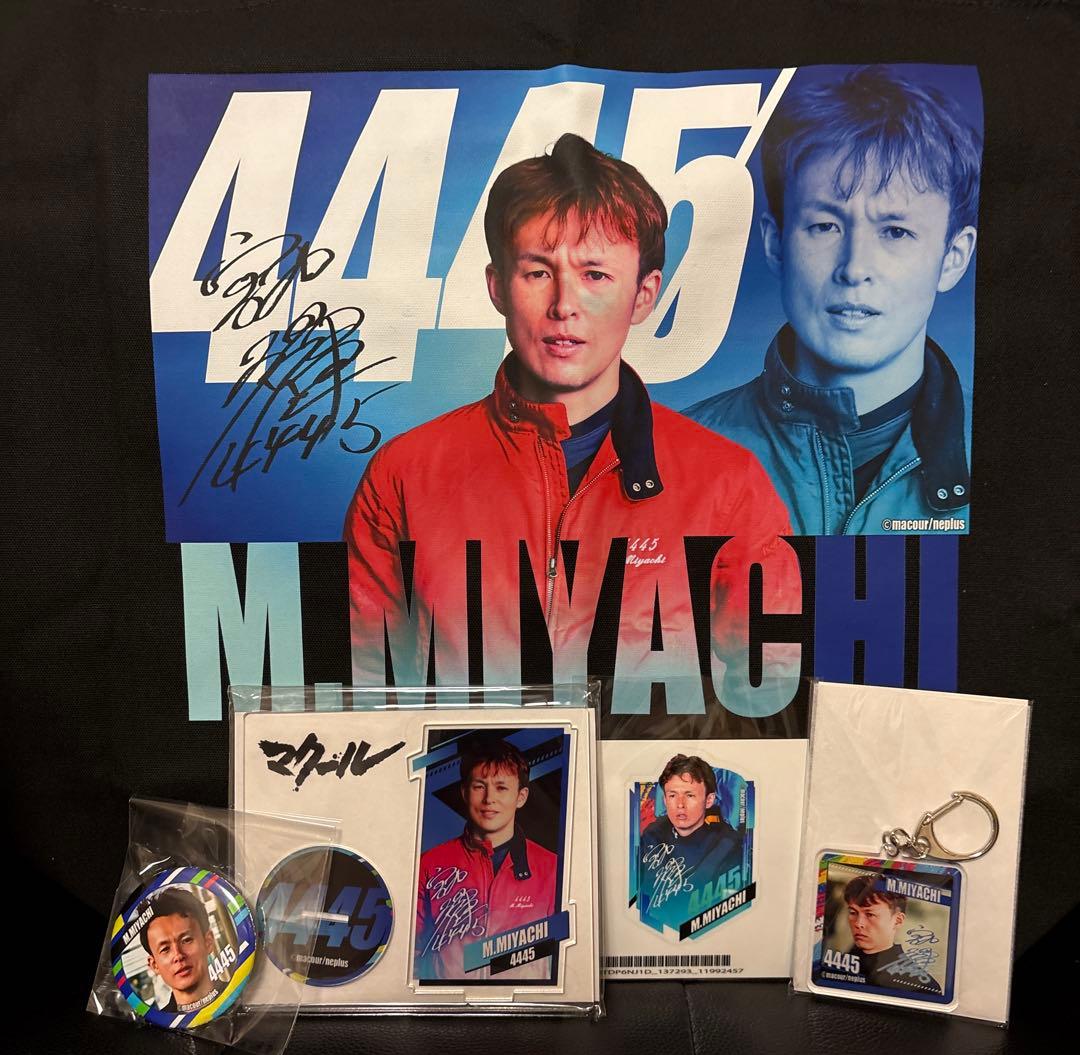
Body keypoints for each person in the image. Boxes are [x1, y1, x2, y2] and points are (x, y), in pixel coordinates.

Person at [345, 133, 799, 715]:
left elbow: (771, 708)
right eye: (538, 272)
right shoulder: (403, 477)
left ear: (644, 295)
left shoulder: (728, 485)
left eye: (595, 275)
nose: (564, 305)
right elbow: (366, 703)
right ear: (497, 287)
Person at [686, 66, 979, 535]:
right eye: (825, 226)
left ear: (953, 258)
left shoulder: (1022, 454)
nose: (854, 267)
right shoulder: (674, 457)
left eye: (895, 231)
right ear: (776, 244)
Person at [414, 736, 557, 981]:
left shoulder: (553, 868)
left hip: (525, 1003)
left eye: (501, 787)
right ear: (464, 792)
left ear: (521, 797)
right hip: (448, 1002)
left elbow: (567, 952)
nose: (489, 798)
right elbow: (408, 952)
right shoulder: (428, 864)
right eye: (479, 786)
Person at [639, 754, 744, 920]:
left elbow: (732, 909)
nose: (680, 804)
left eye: (690, 795)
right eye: (672, 795)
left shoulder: (728, 845)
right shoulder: (651, 835)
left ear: (709, 800)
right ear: (665, 800)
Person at [839, 873, 942, 993]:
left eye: (870, 914)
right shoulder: (831, 967)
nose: (858, 923)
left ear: (898, 920)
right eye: (853, 912)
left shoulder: (923, 987)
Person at [139, 888, 225, 1013]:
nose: (178, 955)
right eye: (165, 949)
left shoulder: (243, 997)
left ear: (208, 942)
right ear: (154, 965)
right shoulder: (155, 1024)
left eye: (186, 940)